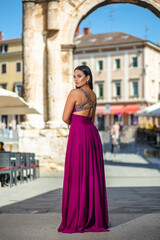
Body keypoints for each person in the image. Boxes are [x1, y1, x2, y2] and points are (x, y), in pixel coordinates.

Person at [57, 65, 110, 233]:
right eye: (74, 76)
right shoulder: (94, 95)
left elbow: (65, 118)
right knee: (91, 175)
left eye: (79, 76)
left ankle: (77, 217)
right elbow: (92, 118)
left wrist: (75, 124)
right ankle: (92, 217)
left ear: (88, 77)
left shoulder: (74, 93)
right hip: (92, 134)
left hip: (79, 133)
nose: (75, 79)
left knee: (77, 174)